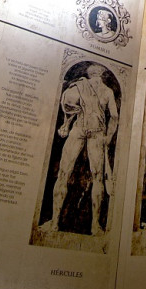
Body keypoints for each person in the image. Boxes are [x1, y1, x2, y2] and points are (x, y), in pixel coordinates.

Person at [44, 64, 118, 234]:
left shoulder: (79, 85)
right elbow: (114, 117)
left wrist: (74, 110)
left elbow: (68, 104)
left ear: (90, 73)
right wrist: (109, 137)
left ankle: (56, 223)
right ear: (102, 74)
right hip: (97, 132)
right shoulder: (107, 91)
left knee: (64, 174)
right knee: (97, 177)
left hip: (80, 130)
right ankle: (94, 226)